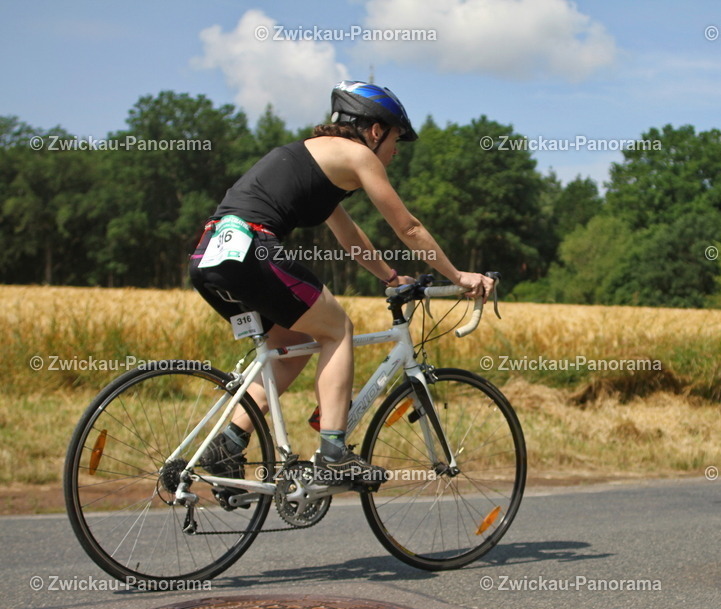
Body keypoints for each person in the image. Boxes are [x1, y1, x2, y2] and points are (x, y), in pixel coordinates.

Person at [189, 80, 493, 502]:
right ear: (373, 130)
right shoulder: (357, 156)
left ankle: (228, 445)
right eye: (395, 137)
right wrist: (459, 276)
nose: (396, 150)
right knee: (337, 330)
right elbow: (408, 227)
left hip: (210, 256)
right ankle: (333, 455)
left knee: (289, 346)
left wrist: (390, 278)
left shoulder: (316, 162)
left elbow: (350, 237)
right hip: (252, 250)